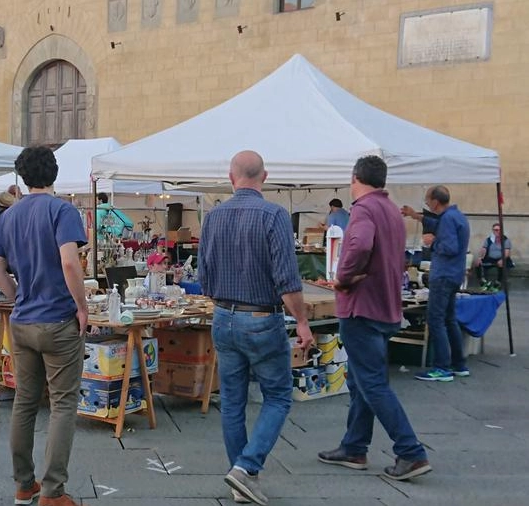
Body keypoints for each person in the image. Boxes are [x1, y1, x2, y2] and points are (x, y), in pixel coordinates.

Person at [198, 150, 314, 505]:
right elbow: (287, 279)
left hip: (222, 315)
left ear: (231, 178)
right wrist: (303, 322)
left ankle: (241, 479)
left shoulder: (213, 216)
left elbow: (203, 278)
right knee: (278, 396)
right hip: (261, 318)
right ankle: (246, 467)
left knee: (232, 401)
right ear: (265, 177)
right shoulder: (275, 215)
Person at [317, 155, 433, 482]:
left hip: (362, 308)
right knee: (360, 379)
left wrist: (343, 277)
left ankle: (410, 451)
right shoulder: (393, 212)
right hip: (386, 306)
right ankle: (354, 446)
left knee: (371, 382)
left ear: (355, 178)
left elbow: (360, 244)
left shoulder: (365, 210)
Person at [0, 146, 87, 506]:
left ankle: (23, 484)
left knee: (24, 403)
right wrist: (82, 307)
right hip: (58, 319)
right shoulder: (63, 211)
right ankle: (53, 491)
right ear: (54, 173)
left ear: (23, 177)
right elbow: (70, 264)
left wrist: (18, 295)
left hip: (23, 320)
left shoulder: (8, 217)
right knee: (62, 404)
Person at [402, 186, 471, 381]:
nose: (427, 204)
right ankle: (459, 363)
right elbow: (438, 224)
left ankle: (441, 367)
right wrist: (416, 216)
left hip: (443, 276)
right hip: (454, 275)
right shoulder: (456, 216)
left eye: (427, 201)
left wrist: (432, 242)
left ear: (434, 202)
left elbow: (449, 247)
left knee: (436, 320)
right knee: (449, 319)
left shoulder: (448, 219)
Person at [472, 223, 513, 290]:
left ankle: (498, 282)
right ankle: (483, 282)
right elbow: (484, 249)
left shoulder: (505, 240)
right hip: (490, 259)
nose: (497, 231)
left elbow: (507, 253)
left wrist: (502, 259)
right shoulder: (489, 240)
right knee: (477, 263)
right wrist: (480, 258)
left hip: (502, 258)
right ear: (493, 231)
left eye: (499, 230)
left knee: (501, 264)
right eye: (496, 230)